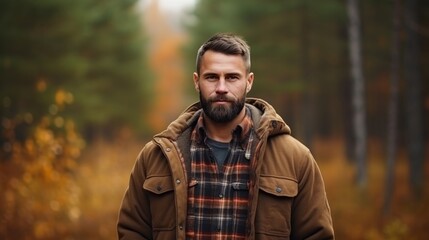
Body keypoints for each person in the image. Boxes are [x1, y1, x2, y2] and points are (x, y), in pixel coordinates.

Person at [117, 33, 334, 240]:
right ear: (196, 81)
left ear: (249, 81)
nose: (221, 88)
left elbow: (316, 235)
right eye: (211, 77)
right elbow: (132, 230)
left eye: (232, 77)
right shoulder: (155, 157)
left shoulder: (295, 159)